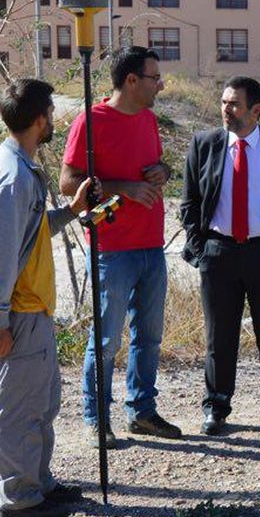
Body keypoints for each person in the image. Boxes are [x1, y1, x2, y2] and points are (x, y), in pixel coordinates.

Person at [0, 79, 94, 517]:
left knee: (41, 402)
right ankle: (19, 497)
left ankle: (38, 483)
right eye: (52, 113)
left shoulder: (17, 165)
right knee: (19, 408)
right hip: (17, 311)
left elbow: (29, 232)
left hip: (32, 308)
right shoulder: (13, 175)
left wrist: (71, 212)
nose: (54, 119)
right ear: (40, 120)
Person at [60, 45, 181, 447]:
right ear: (131, 81)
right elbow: (68, 182)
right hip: (111, 248)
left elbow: (155, 164)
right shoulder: (90, 122)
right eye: (153, 77)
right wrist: (123, 189)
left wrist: (161, 171)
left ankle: (142, 412)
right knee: (107, 338)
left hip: (151, 244)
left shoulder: (147, 118)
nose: (159, 85)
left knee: (149, 337)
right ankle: (97, 419)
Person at [180, 77, 260, 437]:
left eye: (234, 104)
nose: (226, 109)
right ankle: (216, 406)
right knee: (218, 337)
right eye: (223, 102)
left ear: (256, 110)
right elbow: (189, 202)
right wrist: (199, 246)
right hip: (219, 253)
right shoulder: (204, 144)